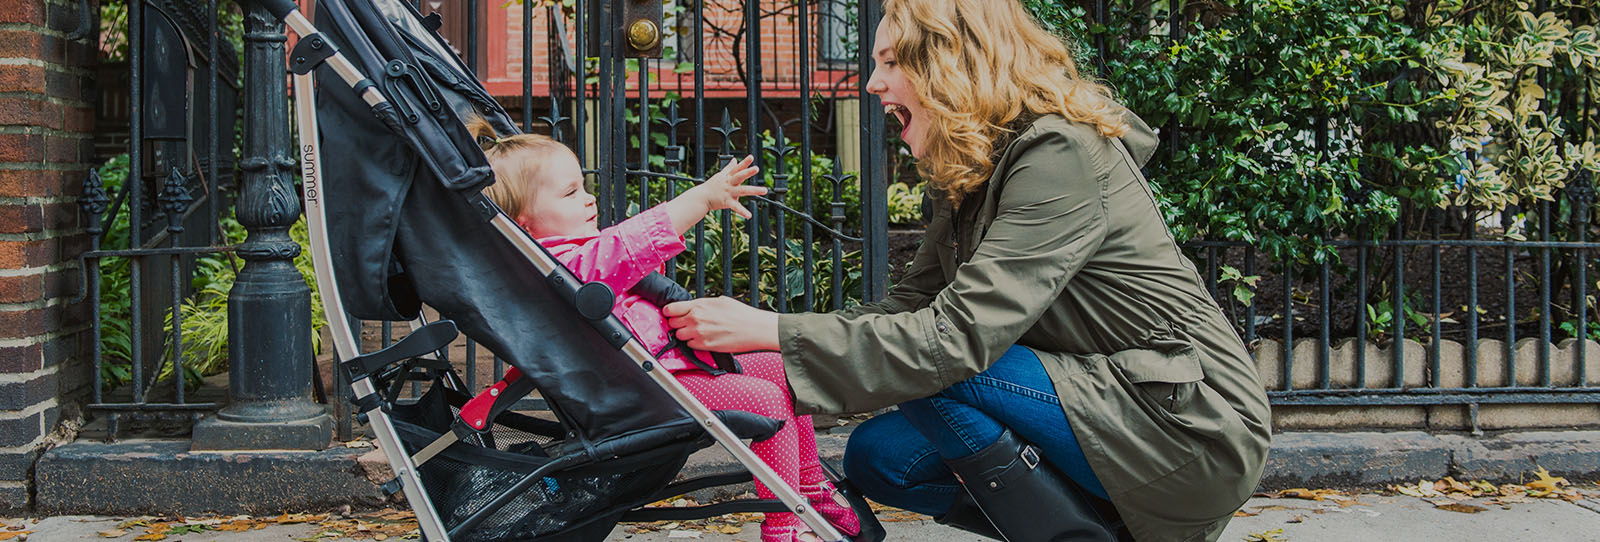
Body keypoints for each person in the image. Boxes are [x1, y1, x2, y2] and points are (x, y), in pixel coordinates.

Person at [659, 0, 1272, 540]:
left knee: (942, 370)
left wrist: (769, 330)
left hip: (1189, 427)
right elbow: (904, 313)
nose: (873, 83)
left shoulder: (1062, 153)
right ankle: (1097, 527)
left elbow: (952, 340)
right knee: (880, 458)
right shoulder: (977, 171)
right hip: (1104, 399)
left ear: (955, 62)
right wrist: (761, 346)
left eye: (892, 61)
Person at [465, 117, 861, 542]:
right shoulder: (552, 267)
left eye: (583, 185)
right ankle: (785, 525)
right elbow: (625, 247)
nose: (589, 199)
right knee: (764, 401)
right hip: (645, 393)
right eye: (570, 192)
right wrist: (702, 199)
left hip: (674, 370)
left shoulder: (575, 254)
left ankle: (808, 486)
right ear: (523, 224)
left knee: (783, 369)